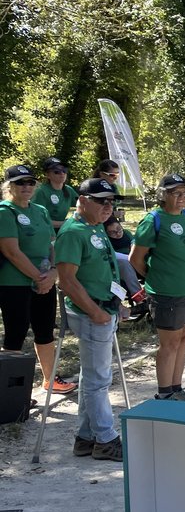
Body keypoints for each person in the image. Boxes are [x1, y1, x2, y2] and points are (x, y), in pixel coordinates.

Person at [56, 177, 123, 461]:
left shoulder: (94, 226)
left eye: (111, 202)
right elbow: (67, 280)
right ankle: (106, 439)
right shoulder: (73, 232)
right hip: (91, 313)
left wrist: (116, 301)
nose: (108, 207)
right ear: (82, 200)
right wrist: (96, 312)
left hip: (103, 309)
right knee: (98, 381)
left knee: (91, 378)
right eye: (101, 201)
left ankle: (85, 438)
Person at [129, 173, 185, 402]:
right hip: (167, 292)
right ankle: (164, 393)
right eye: (176, 193)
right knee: (169, 342)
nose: (182, 197)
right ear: (163, 195)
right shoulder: (153, 220)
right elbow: (136, 259)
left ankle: (176, 388)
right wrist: (156, 278)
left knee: (184, 338)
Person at [0, 165, 76, 395]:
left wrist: (53, 272)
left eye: (30, 182)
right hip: (14, 283)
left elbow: (51, 243)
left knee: (45, 331)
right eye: (20, 183)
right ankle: (10, 391)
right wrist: (39, 277)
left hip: (44, 281)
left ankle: (51, 379)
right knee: (16, 333)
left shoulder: (40, 210)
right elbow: (11, 252)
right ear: (8, 186)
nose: (26, 187)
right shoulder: (4, 211)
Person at [31, 157, 76, 231]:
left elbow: (76, 206)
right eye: (56, 171)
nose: (62, 173)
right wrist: (63, 224)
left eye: (64, 170)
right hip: (48, 233)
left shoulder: (69, 190)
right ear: (47, 175)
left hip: (66, 231)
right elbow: (38, 218)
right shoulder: (41, 191)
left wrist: (68, 219)